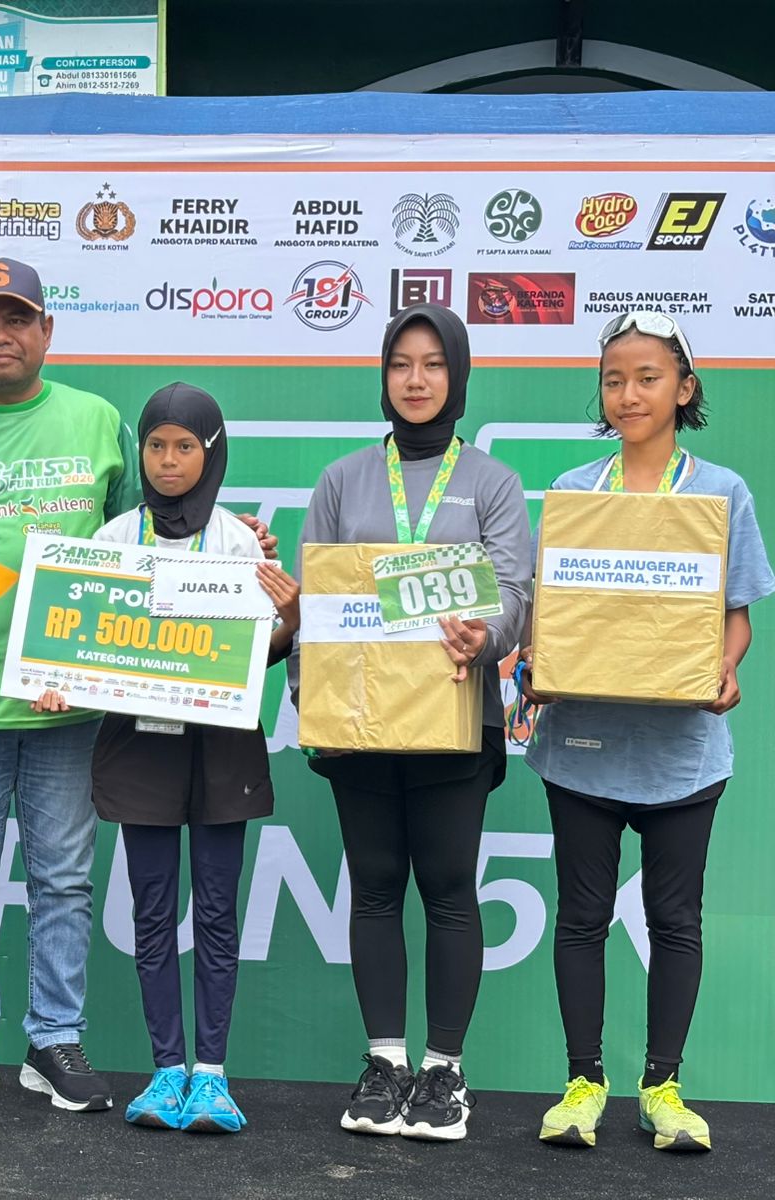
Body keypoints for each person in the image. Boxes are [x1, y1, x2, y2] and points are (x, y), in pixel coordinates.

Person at [0, 258, 277, 1113]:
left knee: (63, 882)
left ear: (47, 331)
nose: (0, 335)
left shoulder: (98, 421)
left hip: (73, 706)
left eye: (16, 318)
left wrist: (237, 549)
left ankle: (54, 1038)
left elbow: (158, 535)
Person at [522, 312, 773, 1152]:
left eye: (647, 378)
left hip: (682, 756)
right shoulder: (575, 490)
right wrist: (536, 659)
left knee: (676, 922)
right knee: (581, 918)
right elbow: (552, 613)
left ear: (684, 388)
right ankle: (582, 1085)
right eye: (613, 380)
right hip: (582, 749)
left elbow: (735, 618)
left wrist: (726, 667)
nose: (628, 394)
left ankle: (663, 1087)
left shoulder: (722, 491)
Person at [31, 382, 300, 1134]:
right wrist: (57, 677)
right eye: (156, 445)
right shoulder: (116, 536)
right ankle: (164, 1072)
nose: (169, 461)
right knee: (151, 913)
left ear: (212, 452)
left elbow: (259, 656)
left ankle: (211, 1076)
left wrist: (289, 618)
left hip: (222, 749)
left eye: (186, 446)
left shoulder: (241, 542)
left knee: (215, 912)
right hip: (138, 747)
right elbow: (81, 641)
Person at [292, 303, 531, 1141]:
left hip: (453, 716)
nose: (416, 380)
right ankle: (385, 1062)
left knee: (449, 886)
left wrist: (485, 634)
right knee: (375, 883)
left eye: (433, 364)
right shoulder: (342, 479)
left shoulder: (492, 482)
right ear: (384, 377)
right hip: (359, 723)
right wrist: (310, 693)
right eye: (401, 364)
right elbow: (317, 601)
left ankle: (444, 1072)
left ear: (456, 375)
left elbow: (515, 592)